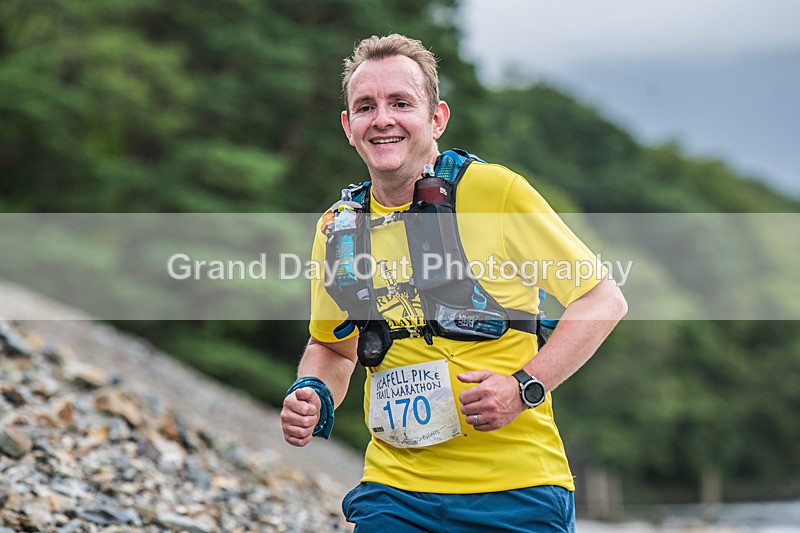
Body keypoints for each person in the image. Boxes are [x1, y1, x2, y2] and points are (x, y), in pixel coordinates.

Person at [281, 34, 628, 532]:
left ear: (437, 117)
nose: (382, 119)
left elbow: (602, 300)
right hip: (394, 494)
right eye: (366, 107)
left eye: (401, 103)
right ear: (348, 127)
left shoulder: (494, 192)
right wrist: (312, 389)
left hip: (517, 491)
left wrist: (522, 387)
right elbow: (334, 348)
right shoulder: (339, 229)